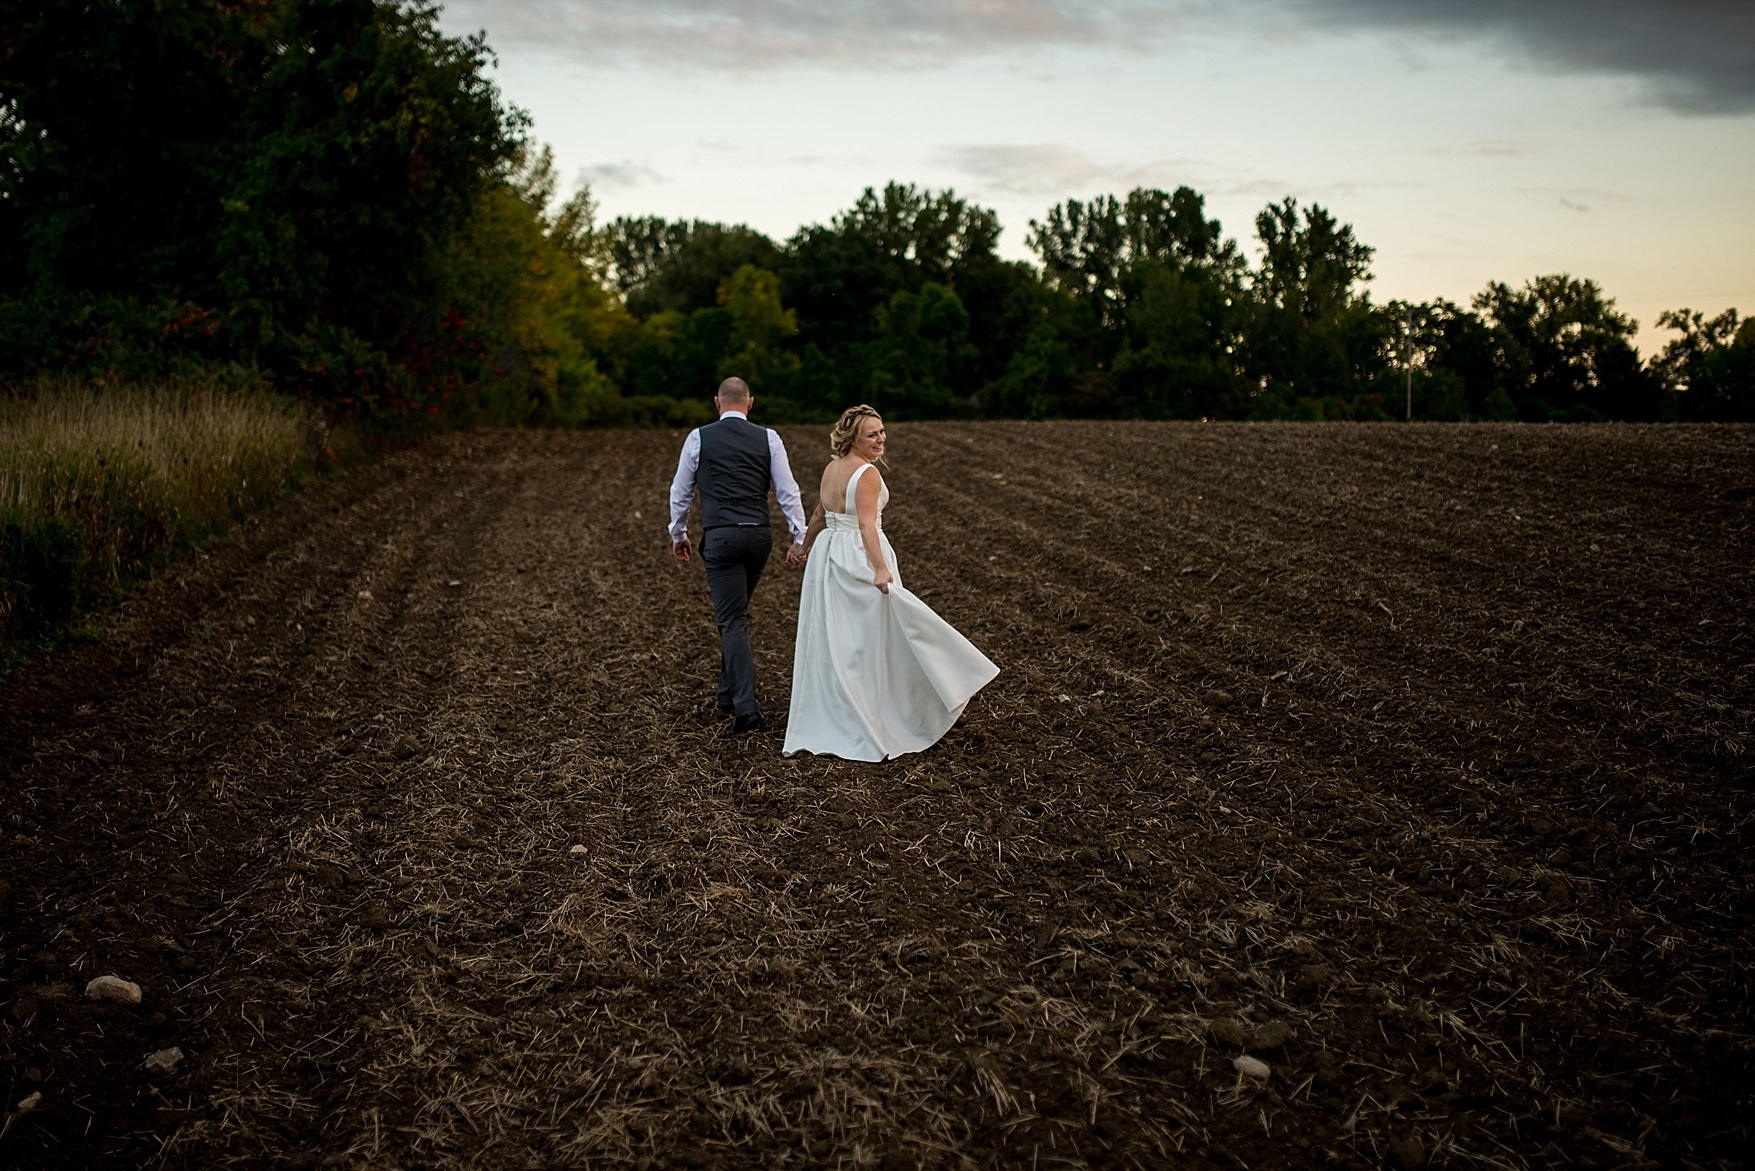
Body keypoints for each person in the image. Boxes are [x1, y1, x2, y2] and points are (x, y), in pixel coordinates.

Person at [783, 405, 999, 760]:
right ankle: (884, 711)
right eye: (872, 434)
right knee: (874, 640)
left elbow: (821, 515)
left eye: (882, 432)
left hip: (826, 558)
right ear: (855, 438)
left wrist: (805, 548)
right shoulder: (867, 474)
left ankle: (839, 709)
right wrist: (880, 568)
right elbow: (866, 525)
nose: (881, 439)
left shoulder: (831, 468)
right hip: (857, 554)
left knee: (838, 638)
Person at [668, 377, 807, 732]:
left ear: (717, 402)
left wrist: (678, 533)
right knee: (736, 615)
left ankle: (747, 708)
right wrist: (799, 536)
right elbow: (787, 490)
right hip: (759, 537)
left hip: (722, 538)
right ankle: (726, 692)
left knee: (732, 621)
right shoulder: (769, 438)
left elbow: (681, 491)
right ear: (750, 403)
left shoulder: (699, 438)